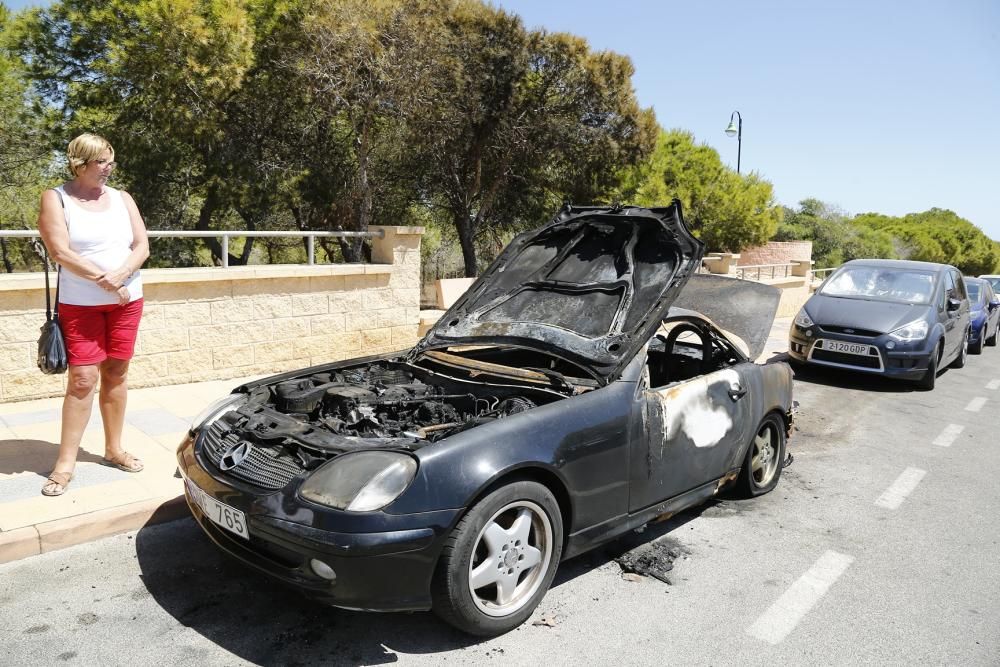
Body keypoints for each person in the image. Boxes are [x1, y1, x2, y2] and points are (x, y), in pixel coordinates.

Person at [37, 133, 150, 496]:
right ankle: (65, 462)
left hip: (127, 299)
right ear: (79, 163)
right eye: (101, 161)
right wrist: (105, 281)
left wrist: (120, 277)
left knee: (116, 372)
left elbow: (141, 245)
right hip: (80, 303)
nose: (108, 167)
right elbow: (60, 251)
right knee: (83, 380)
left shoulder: (122, 198)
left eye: (110, 160)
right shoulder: (56, 198)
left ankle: (114, 448)